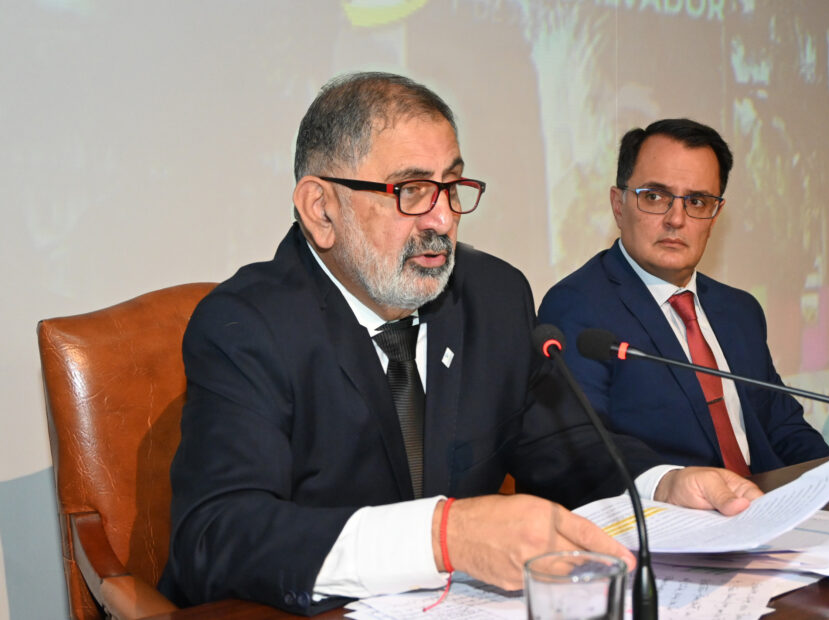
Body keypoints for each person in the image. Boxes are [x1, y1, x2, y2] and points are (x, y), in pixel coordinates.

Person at [158, 77, 761, 616]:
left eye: (451, 186)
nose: (442, 219)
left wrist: (664, 482)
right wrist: (443, 536)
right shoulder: (246, 325)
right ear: (322, 209)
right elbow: (216, 536)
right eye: (411, 190)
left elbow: (561, 445)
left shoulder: (492, 295)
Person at [539, 118, 829, 475]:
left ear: (714, 216)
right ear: (618, 205)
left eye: (697, 201)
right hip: (667, 506)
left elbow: (783, 427)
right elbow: (580, 444)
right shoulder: (577, 306)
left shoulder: (739, 310)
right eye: (654, 197)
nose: (676, 219)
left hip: (764, 499)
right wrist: (670, 482)